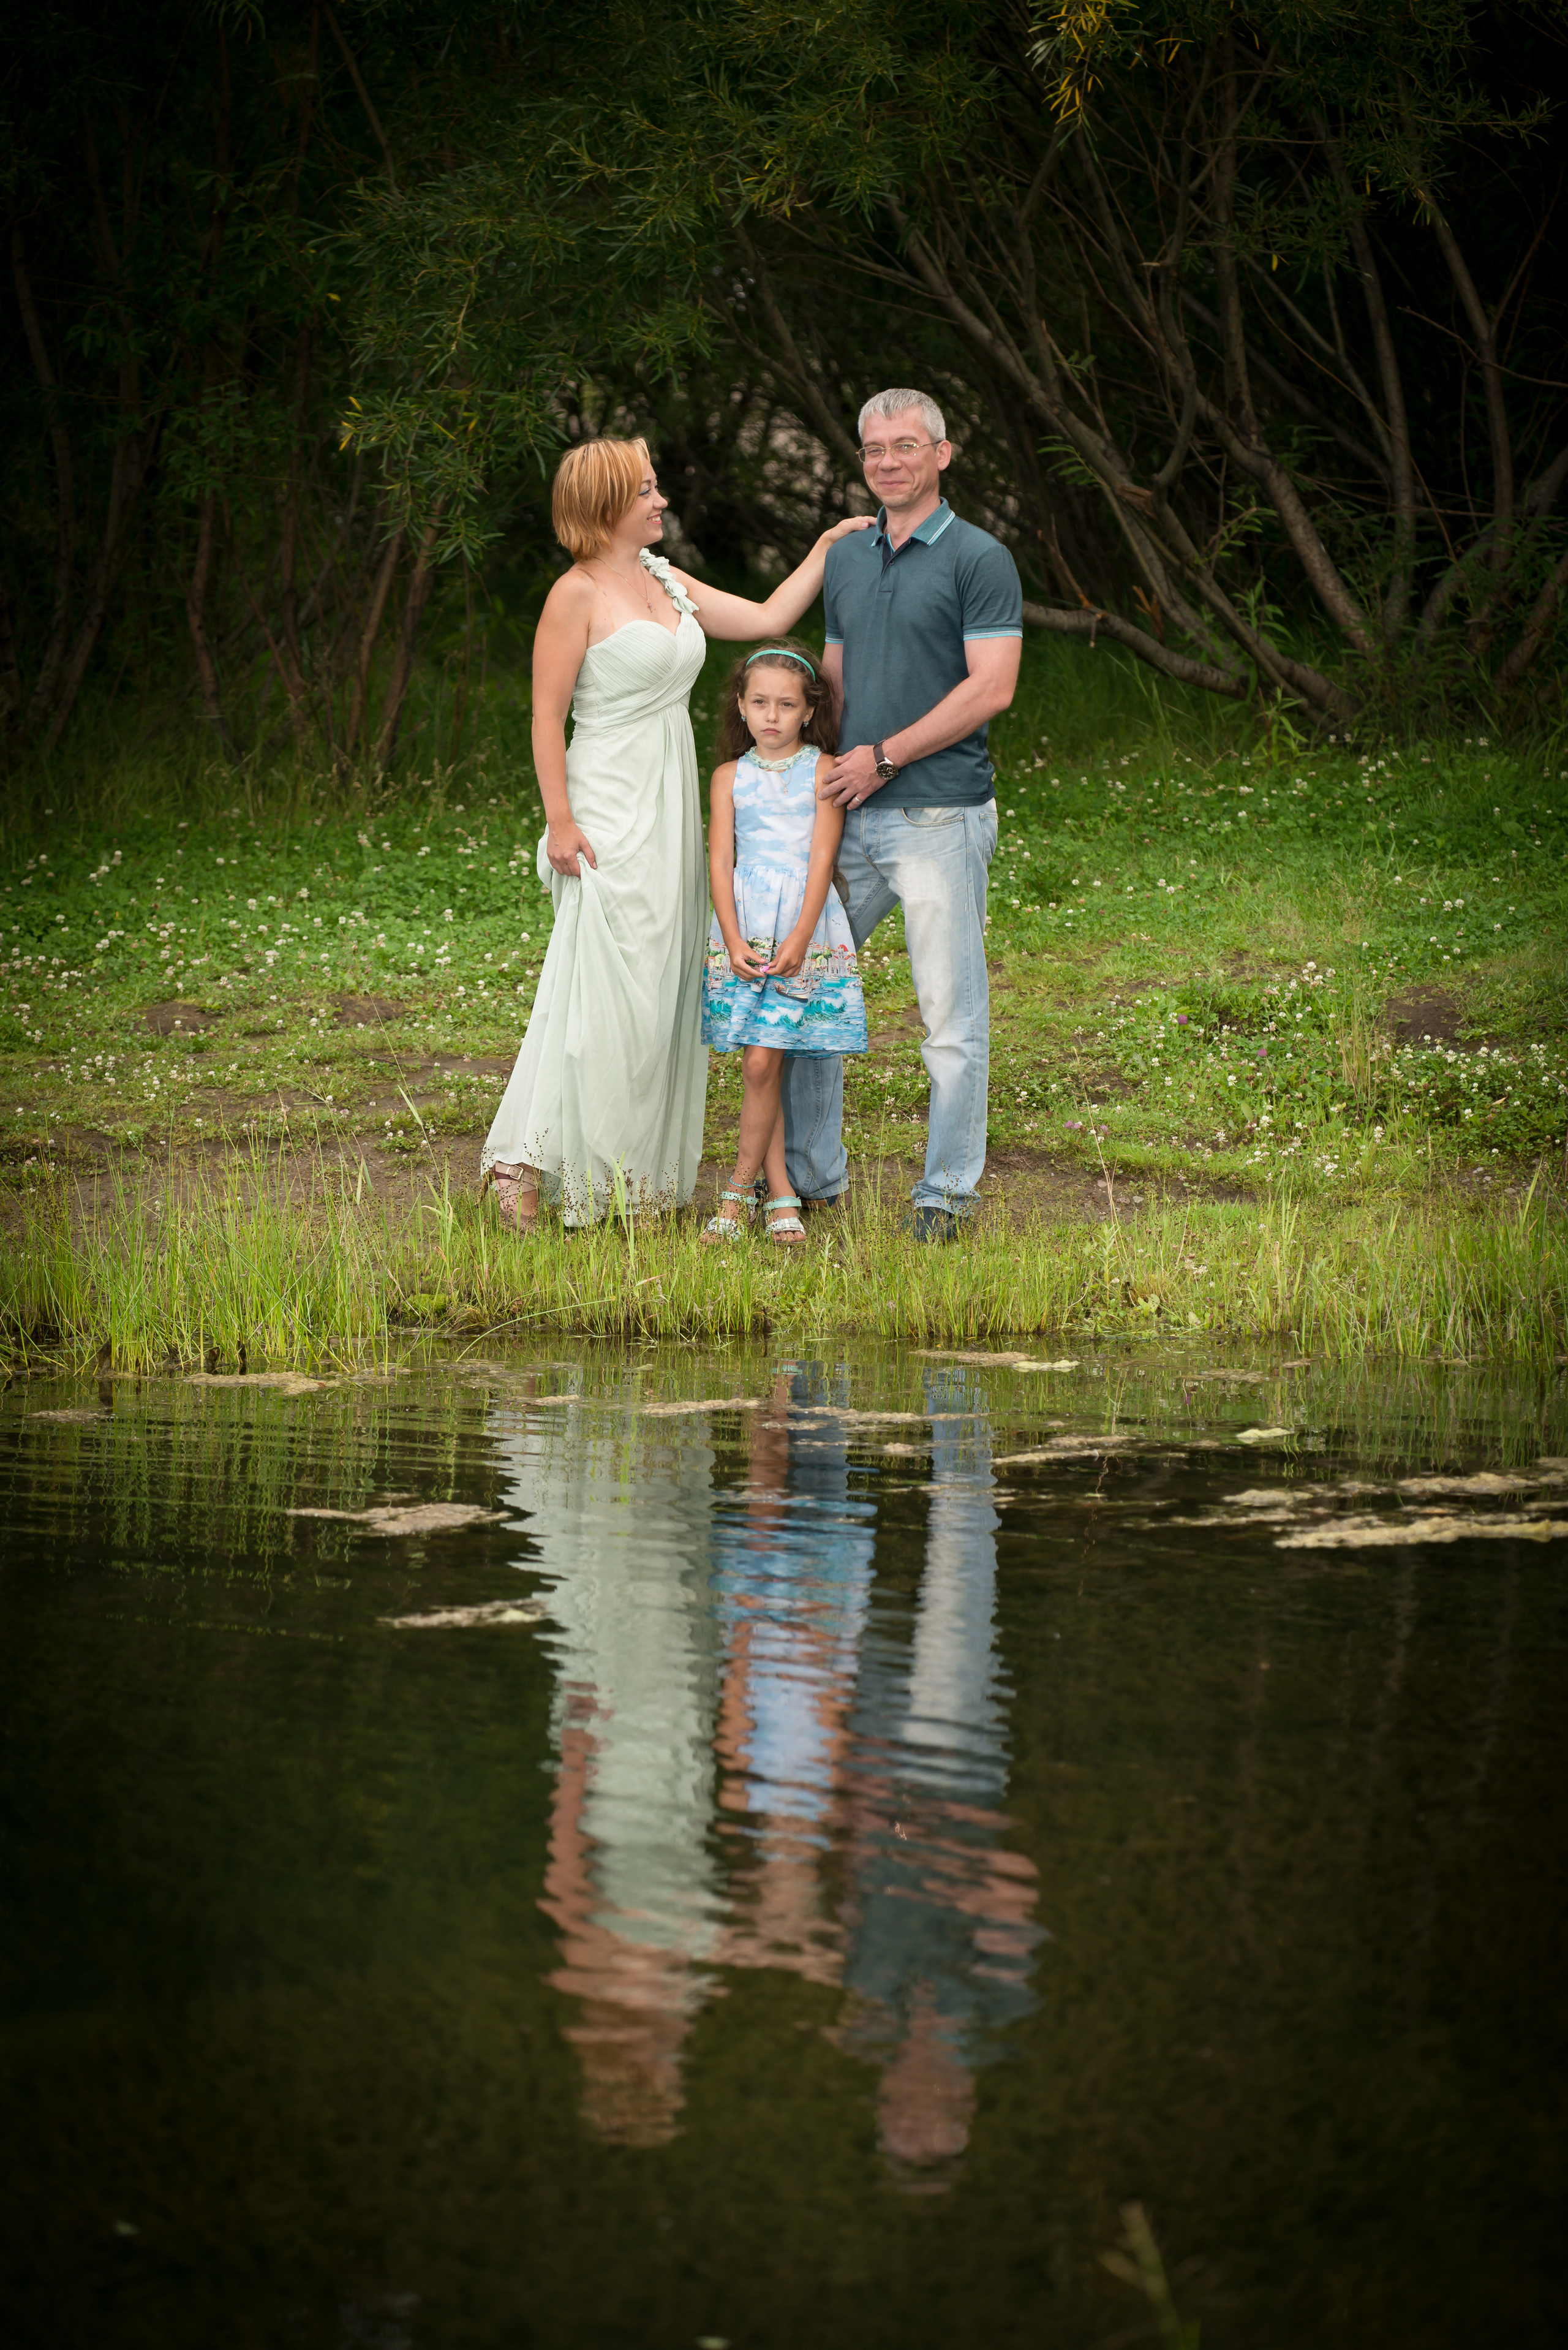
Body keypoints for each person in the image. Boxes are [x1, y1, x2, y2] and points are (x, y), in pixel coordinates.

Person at [482, 437, 872, 1229]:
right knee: (598, 984)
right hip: (606, 798)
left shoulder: (664, 578)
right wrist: (561, 820)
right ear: (606, 505)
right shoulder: (576, 593)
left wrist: (826, 548)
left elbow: (765, 618)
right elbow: (545, 716)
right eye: (648, 492)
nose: (662, 503)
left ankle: (625, 1171)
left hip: (668, 796)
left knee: (658, 987)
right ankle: (521, 1160)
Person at [780, 390, 1023, 1241]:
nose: (888, 461)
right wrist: (819, 768)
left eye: (906, 446)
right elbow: (835, 679)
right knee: (804, 992)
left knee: (948, 1019)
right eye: (875, 449)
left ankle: (945, 1195)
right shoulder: (848, 557)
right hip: (848, 812)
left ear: (943, 455)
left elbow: (992, 687)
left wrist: (887, 757)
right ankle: (813, 1182)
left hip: (938, 816)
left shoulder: (979, 557)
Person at [699, 639, 869, 1245]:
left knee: (764, 1057)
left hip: (803, 926)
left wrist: (801, 934)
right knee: (758, 1060)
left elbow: (822, 858)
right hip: (744, 928)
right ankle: (779, 1194)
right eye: (760, 702)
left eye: (786, 704)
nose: (772, 715)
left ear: (807, 710)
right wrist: (731, 935)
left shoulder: (823, 768)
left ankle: (738, 1189)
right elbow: (720, 861)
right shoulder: (727, 776)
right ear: (740, 707)